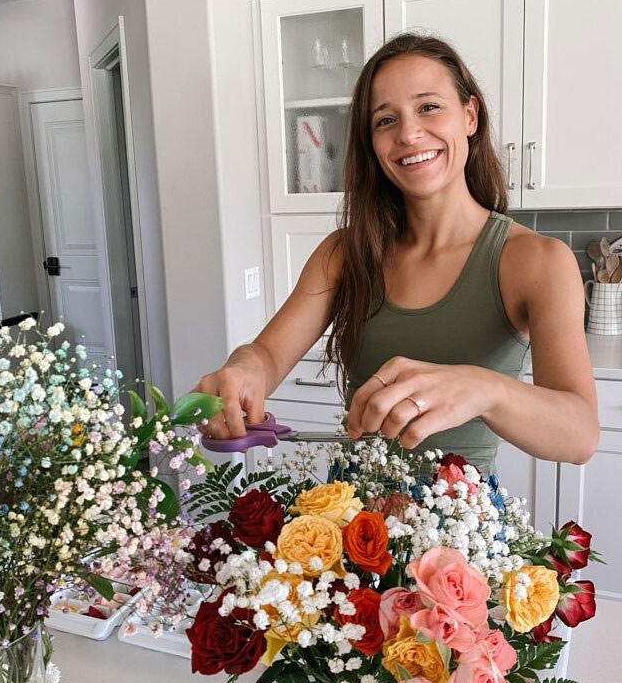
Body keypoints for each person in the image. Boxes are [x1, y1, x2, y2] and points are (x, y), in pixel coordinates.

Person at [193, 33, 598, 479]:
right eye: (386, 120)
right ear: (371, 142)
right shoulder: (345, 253)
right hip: (342, 524)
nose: (408, 133)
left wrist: (485, 389)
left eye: (429, 107)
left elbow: (579, 435)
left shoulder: (537, 260)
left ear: (470, 115)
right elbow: (267, 356)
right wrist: (242, 370)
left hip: (460, 540)